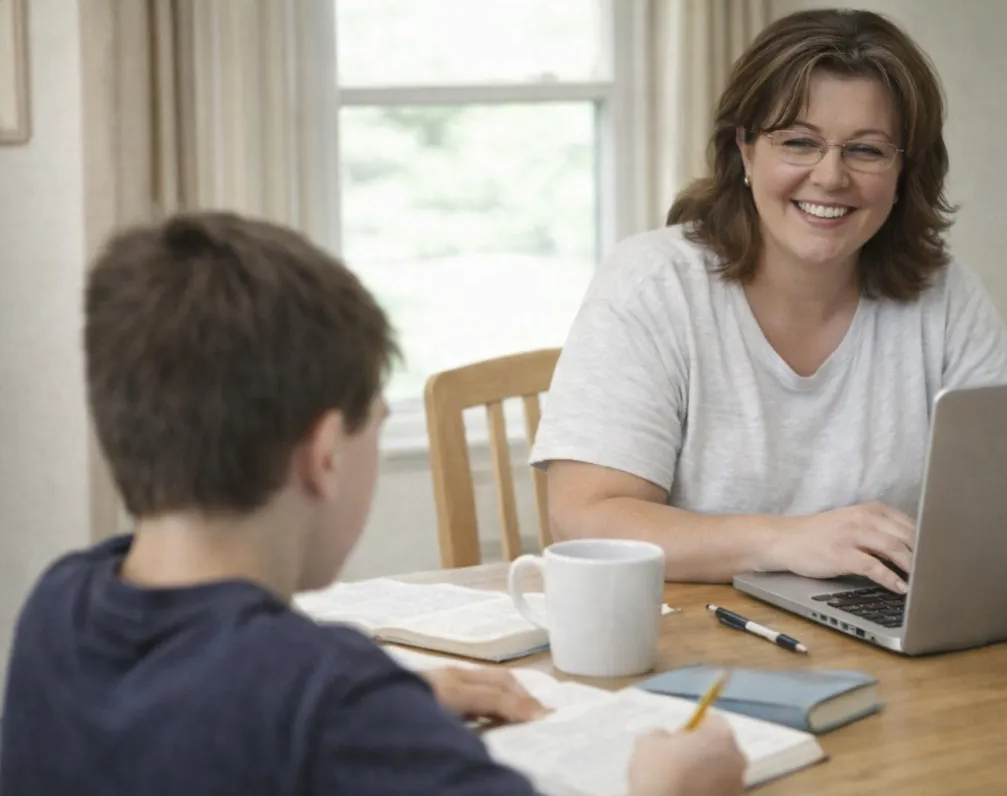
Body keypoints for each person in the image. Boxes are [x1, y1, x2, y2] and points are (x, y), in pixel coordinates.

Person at [0, 212, 746, 796]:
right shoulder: (333, 698)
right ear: (325, 456)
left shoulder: (61, 603)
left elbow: (197, 720)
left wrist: (393, 702)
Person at [530, 8, 1007, 595]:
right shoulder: (653, 284)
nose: (830, 176)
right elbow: (585, 518)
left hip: (891, 635)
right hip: (694, 646)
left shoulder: (946, 296)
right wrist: (786, 540)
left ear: (904, 169)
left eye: (866, 151)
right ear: (745, 148)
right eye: (798, 142)